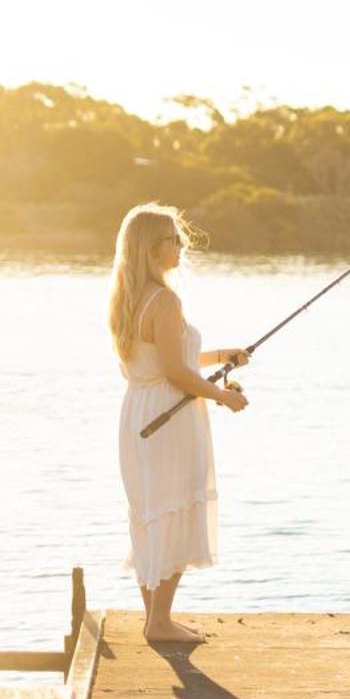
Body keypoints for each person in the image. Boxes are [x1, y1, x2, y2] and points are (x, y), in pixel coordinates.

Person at [109, 204, 249, 644]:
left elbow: (164, 359)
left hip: (138, 411)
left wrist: (222, 355)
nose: (181, 246)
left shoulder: (129, 299)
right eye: (174, 239)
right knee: (172, 506)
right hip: (169, 415)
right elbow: (175, 371)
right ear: (152, 248)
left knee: (151, 509)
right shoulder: (166, 300)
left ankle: (155, 617)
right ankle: (160, 622)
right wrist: (223, 396)